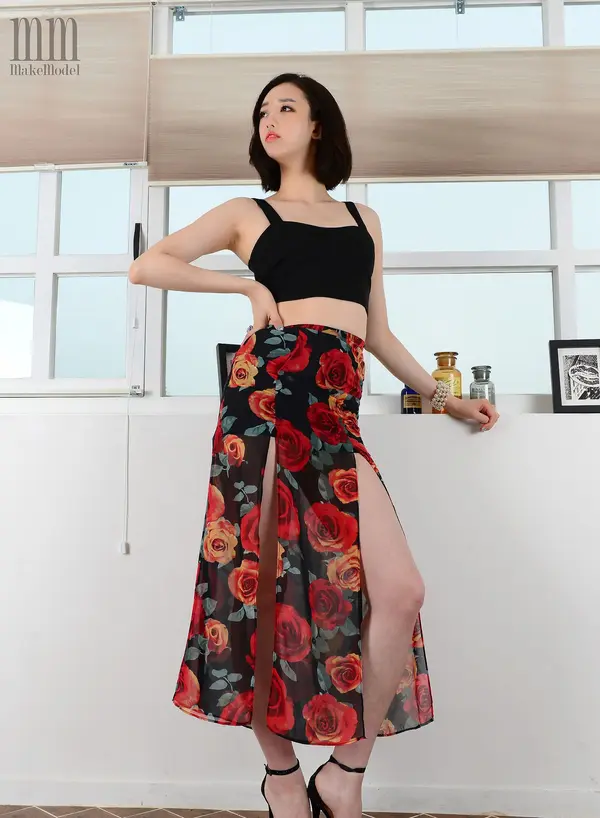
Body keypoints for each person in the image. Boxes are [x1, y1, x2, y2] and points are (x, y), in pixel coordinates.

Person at [130, 72, 500, 818]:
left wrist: (447, 399)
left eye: (286, 107)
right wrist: (245, 289)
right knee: (259, 595)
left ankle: (343, 772)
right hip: (263, 406)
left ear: (319, 124)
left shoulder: (364, 219)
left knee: (399, 590)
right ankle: (280, 777)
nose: (270, 120)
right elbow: (149, 264)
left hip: (335, 417)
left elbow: (379, 332)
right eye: (262, 112)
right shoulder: (248, 213)